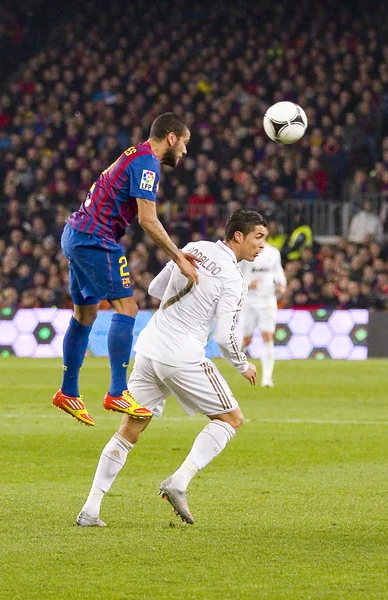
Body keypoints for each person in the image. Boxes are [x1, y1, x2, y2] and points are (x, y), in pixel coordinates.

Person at [76, 209, 268, 526]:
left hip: (150, 348)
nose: (261, 245)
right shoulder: (233, 279)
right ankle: (179, 482)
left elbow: (154, 288)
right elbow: (224, 336)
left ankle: (91, 509)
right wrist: (243, 364)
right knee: (231, 419)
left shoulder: (194, 248)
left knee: (129, 430)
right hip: (182, 355)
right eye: (258, 237)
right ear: (238, 236)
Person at [53, 113, 200, 426]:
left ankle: (68, 391)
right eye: (184, 143)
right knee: (128, 307)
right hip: (95, 238)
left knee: (85, 314)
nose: (185, 152)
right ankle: (118, 391)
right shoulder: (148, 164)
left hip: (76, 233)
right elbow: (148, 219)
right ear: (171, 137)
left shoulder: (135, 153)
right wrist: (179, 257)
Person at [238, 242, 286, 387]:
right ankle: (239, 357)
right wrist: (250, 283)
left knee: (267, 335)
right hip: (249, 300)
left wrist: (281, 284)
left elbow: (278, 273)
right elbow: (235, 276)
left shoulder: (273, 253)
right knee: (247, 339)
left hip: (267, 299)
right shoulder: (244, 252)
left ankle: (267, 378)